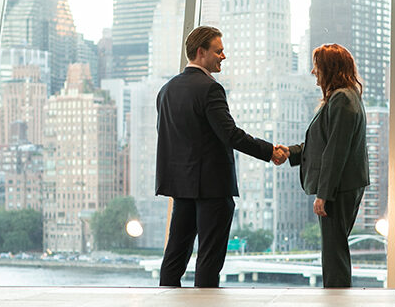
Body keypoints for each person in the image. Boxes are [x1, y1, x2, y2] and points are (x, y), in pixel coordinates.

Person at [155, 26, 288, 288]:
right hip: (212, 187)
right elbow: (230, 135)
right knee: (209, 258)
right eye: (219, 50)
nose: (223, 56)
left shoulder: (166, 90)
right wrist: (269, 151)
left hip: (181, 187)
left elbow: (168, 137)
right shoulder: (210, 89)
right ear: (201, 52)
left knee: (174, 256)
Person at [281, 43, 369, 287]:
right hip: (344, 185)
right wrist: (291, 152)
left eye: (317, 66)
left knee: (333, 251)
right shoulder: (347, 97)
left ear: (330, 69)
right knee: (335, 248)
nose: (313, 72)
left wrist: (324, 194)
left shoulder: (342, 99)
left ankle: (336, 298)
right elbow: (324, 143)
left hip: (338, 188)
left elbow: (336, 151)